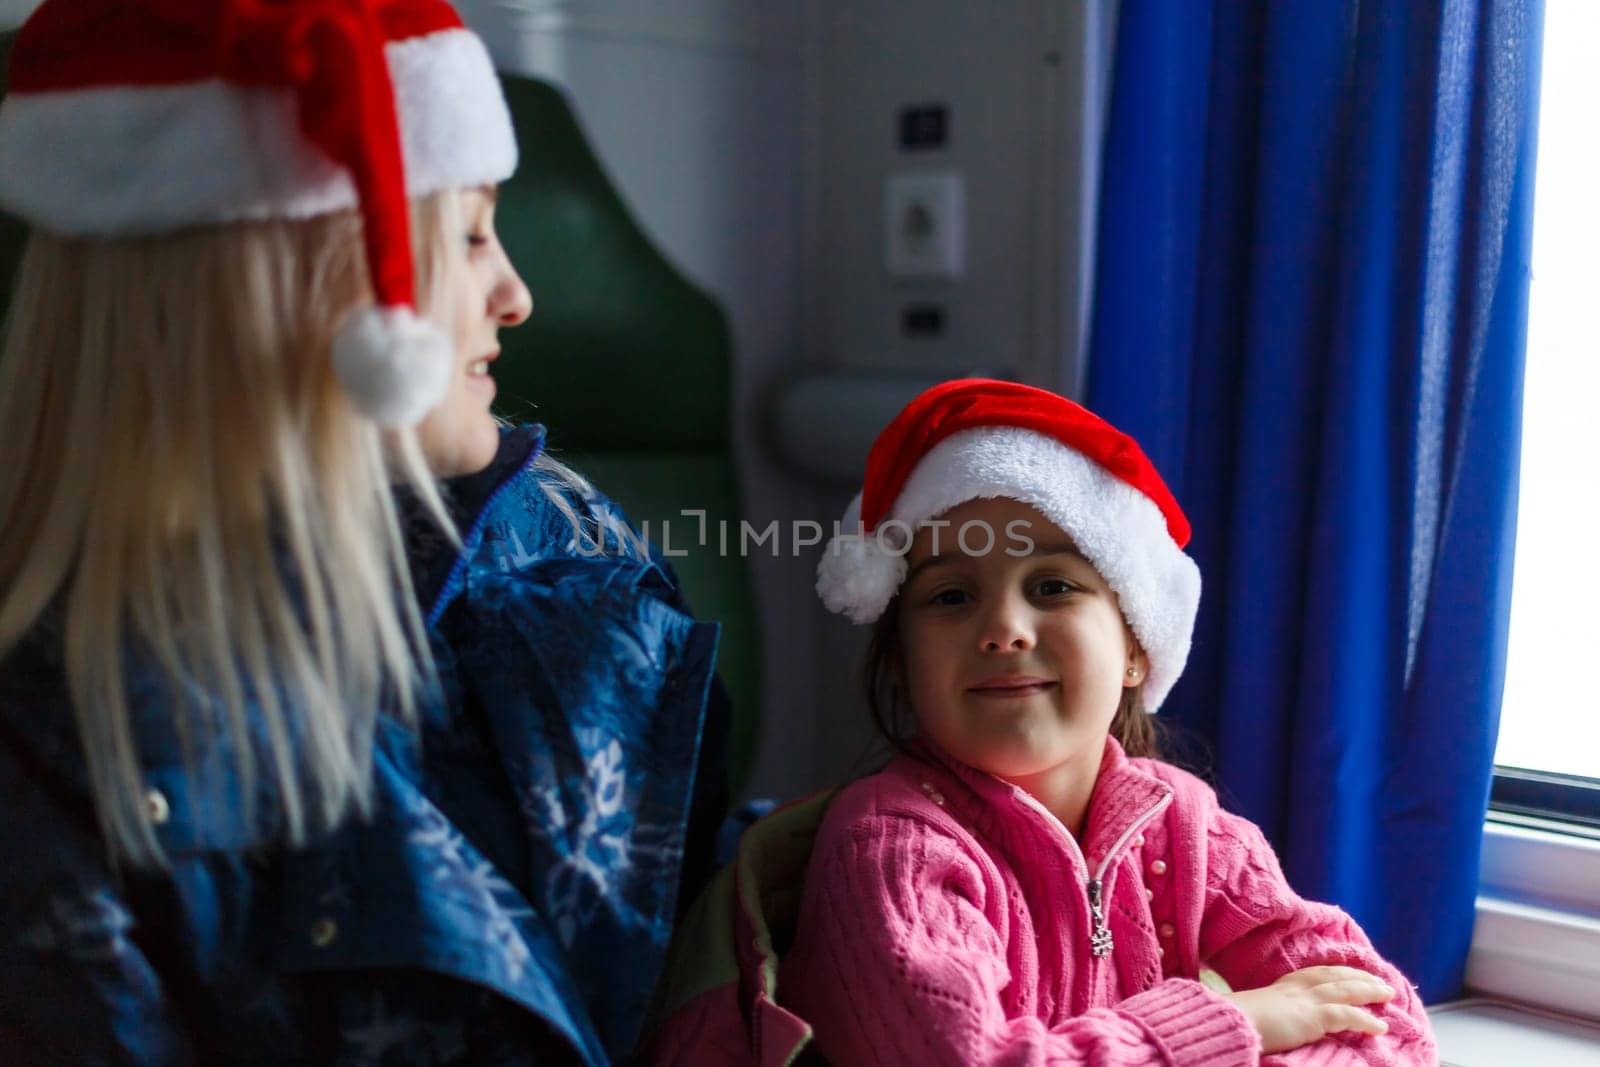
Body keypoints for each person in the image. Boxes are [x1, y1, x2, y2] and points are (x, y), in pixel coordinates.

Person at [0, 2, 726, 1064]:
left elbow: (678, 898)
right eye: (471, 233)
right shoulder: (61, 741)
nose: (516, 295)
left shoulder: (565, 538)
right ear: (305, 281)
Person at [646, 379, 1435, 1065]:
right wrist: (1236, 1022)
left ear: (1135, 645)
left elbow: (1378, 1016)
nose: (1004, 627)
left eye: (1053, 585)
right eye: (951, 596)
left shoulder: (1186, 829)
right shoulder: (890, 851)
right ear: (903, 664)